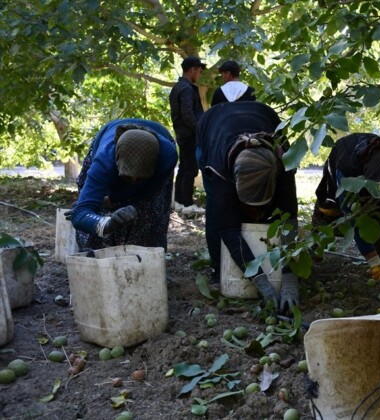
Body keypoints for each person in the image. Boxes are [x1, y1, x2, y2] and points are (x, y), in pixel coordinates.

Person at [197, 101, 299, 312]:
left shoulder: (283, 163)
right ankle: (218, 268)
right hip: (212, 127)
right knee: (217, 210)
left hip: (262, 115)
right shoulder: (220, 170)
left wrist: (289, 278)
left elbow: (289, 217)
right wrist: (261, 282)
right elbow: (228, 228)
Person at [70, 119, 178, 250]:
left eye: (140, 178)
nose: (133, 180)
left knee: (149, 213)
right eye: (127, 176)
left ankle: (143, 256)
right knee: (95, 217)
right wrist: (106, 223)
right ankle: (97, 252)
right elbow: (79, 214)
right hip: (107, 144)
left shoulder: (167, 157)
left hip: (159, 154)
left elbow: (147, 192)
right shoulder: (104, 161)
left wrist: (114, 200)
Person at [312, 133, 380, 281]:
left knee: (379, 215)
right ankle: (313, 252)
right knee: (328, 210)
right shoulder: (345, 168)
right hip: (346, 166)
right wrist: (372, 261)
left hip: (370, 174)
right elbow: (353, 217)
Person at [169, 55, 207, 216]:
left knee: (184, 167)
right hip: (190, 134)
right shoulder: (186, 89)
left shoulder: (178, 87)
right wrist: (200, 130)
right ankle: (187, 204)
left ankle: (179, 202)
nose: (199, 74)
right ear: (192, 69)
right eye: (198, 71)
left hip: (183, 133)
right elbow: (188, 114)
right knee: (190, 168)